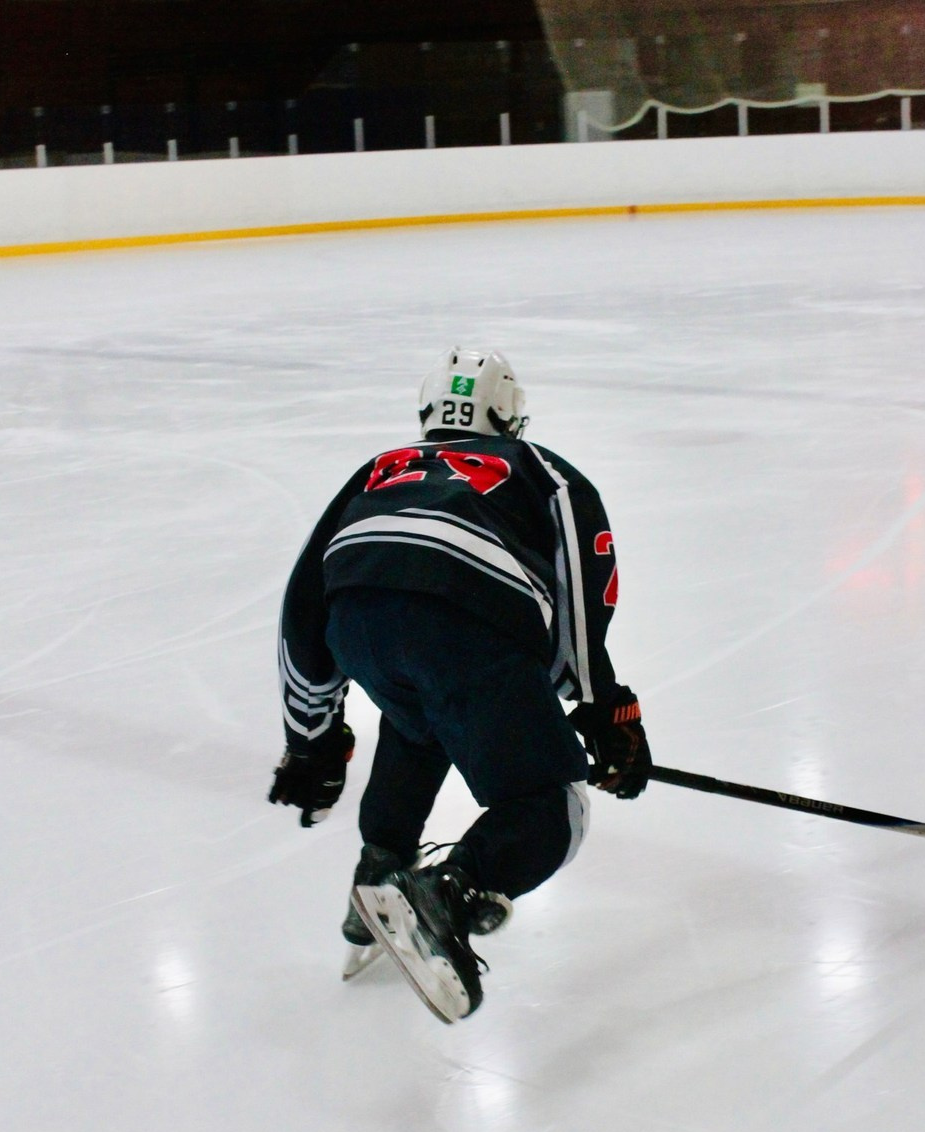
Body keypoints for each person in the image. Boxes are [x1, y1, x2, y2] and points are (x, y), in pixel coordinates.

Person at [269, 348, 650, 1022]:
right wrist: (601, 709)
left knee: (422, 718)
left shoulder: (379, 469)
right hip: (467, 616)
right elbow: (583, 602)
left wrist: (312, 742)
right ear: (509, 414)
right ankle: (449, 895)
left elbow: (304, 600)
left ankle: (378, 872)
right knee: (554, 806)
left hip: (357, 618)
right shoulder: (545, 470)